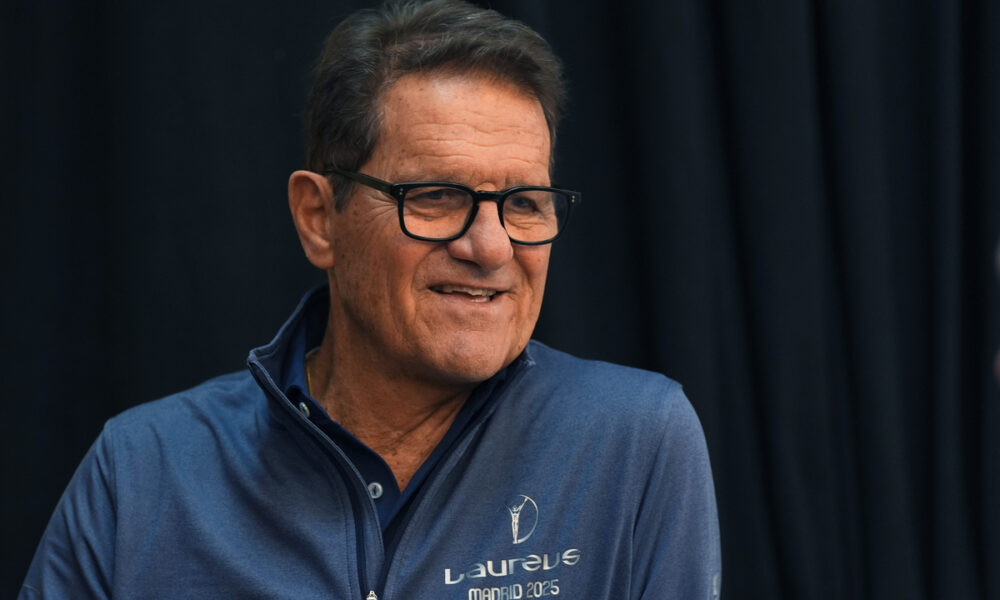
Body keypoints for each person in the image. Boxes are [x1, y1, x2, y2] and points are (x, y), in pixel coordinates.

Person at [20, 1, 720, 598]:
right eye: (437, 197)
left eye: (525, 203)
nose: (492, 247)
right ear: (319, 217)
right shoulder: (142, 469)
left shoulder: (636, 441)